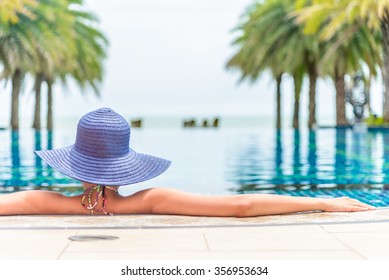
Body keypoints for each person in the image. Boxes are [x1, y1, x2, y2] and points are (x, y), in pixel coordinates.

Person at [0, 108, 375, 216]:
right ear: (125, 163)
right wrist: (324, 201)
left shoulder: (45, 202)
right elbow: (240, 205)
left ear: (74, 164)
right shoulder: (146, 201)